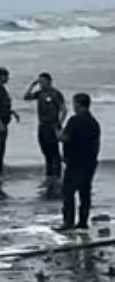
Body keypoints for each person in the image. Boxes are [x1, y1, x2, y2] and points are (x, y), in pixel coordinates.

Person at [59, 93, 101, 231]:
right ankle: (83, 221)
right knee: (85, 192)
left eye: (74, 103)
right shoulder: (94, 122)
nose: (74, 106)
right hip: (89, 162)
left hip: (75, 162)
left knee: (68, 192)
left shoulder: (74, 120)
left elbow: (66, 138)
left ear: (78, 104)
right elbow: (96, 144)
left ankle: (69, 222)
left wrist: (57, 135)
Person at [25, 73, 67, 195]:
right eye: (40, 82)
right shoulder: (40, 93)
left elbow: (64, 109)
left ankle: (58, 177)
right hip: (42, 126)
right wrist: (32, 85)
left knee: (54, 152)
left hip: (52, 126)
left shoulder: (56, 94)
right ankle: (49, 176)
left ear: (49, 81)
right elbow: (26, 97)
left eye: (43, 81)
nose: (41, 84)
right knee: (46, 152)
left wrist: (59, 123)